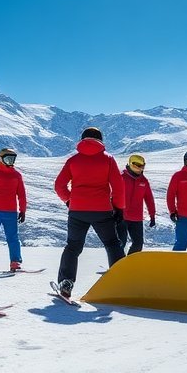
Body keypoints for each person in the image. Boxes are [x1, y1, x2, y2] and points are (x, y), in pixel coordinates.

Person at [53, 127, 126, 300]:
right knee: (112, 244)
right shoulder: (108, 160)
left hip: (77, 211)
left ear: (82, 140)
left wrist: (69, 201)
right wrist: (119, 208)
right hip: (102, 210)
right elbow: (118, 187)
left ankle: (66, 282)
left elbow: (59, 185)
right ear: (100, 140)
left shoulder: (73, 160)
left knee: (73, 247)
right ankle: (123, 280)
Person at [116, 154, 156, 256]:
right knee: (121, 242)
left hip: (136, 218)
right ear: (132, 165)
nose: (140, 169)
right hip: (121, 216)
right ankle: (117, 265)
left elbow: (149, 199)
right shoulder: (121, 177)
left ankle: (129, 264)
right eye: (138, 166)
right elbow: (112, 194)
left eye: (142, 166)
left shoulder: (144, 181)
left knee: (138, 244)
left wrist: (152, 215)